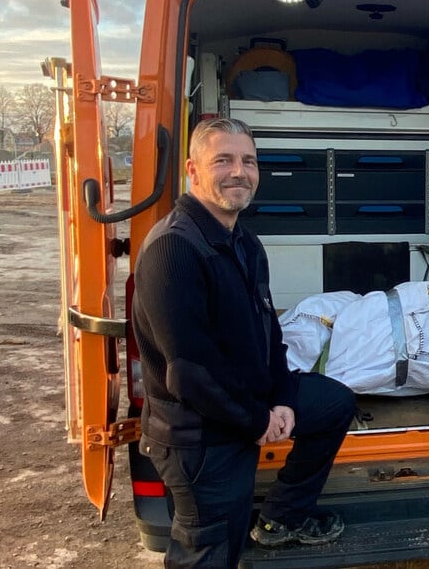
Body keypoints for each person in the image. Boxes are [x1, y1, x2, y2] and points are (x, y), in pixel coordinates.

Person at [132, 117, 355, 568]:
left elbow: (269, 334)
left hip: (247, 404)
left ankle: (283, 515)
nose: (240, 171)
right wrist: (258, 421)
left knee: (333, 403)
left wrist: (285, 400)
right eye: (224, 160)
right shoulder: (174, 250)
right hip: (200, 433)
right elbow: (190, 375)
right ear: (193, 171)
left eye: (249, 161)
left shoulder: (245, 243)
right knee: (212, 550)